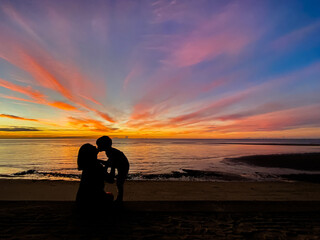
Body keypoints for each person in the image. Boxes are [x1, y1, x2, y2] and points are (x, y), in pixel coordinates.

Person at [76, 143, 114, 208]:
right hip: (95, 199)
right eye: (92, 147)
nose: (94, 146)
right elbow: (111, 180)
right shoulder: (97, 166)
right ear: (91, 153)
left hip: (81, 199)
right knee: (110, 195)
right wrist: (112, 166)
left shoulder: (87, 166)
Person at [96, 136, 129, 202]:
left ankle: (119, 199)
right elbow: (109, 163)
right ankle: (119, 199)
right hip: (120, 165)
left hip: (123, 166)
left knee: (119, 183)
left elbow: (111, 164)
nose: (98, 147)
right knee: (119, 183)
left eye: (99, 145)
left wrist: (108, 172)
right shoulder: (109, 151)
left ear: (104, 145)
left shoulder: (111, 152)